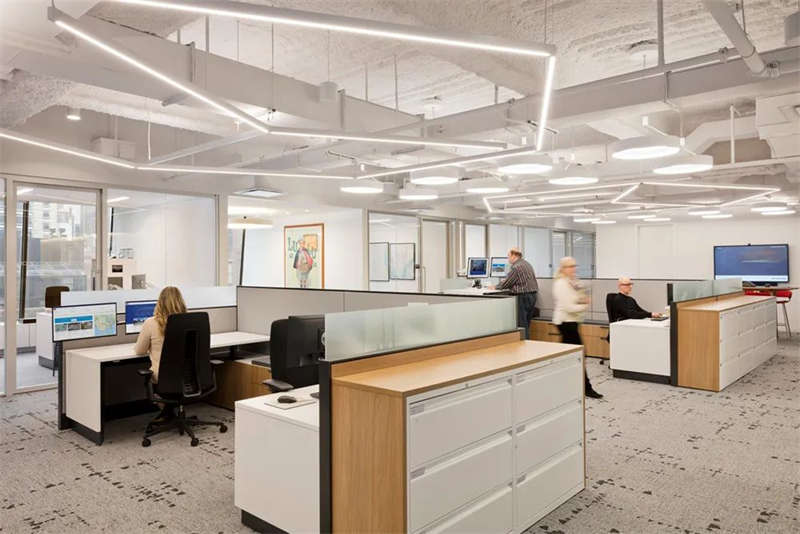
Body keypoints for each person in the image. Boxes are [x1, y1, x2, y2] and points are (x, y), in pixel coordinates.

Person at [552, 256, 603, 399]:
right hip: (565, 322)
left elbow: (577, 298)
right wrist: (584, 305)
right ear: (563, 268)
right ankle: (587, 388)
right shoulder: (561, 284)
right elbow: (569, 307)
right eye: (570, 266)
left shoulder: (571, 282)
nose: (573, 269)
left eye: (574, 266)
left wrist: (582, 299)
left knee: (568, 357)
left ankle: (564, 386)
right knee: (580, 355)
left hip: (573, 322)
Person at [134, 286, 187, 421]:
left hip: (163, 378)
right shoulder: (191, 321)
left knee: (151, 378)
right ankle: (169, 413)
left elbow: (140, 350)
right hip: (189, 375)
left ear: (160, 302)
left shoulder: (151, 323)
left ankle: (167, 412)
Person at [492, 247, 538, 339]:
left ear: (514, 255)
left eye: (508, 256)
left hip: (522, 297)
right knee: (526, 323)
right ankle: (527, 342)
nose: (508, 258)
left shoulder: (516, 267)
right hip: (532, 295)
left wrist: (495, 287)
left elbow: (507, 283)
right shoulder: (526, 263)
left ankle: (524, 343)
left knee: (521, 324)